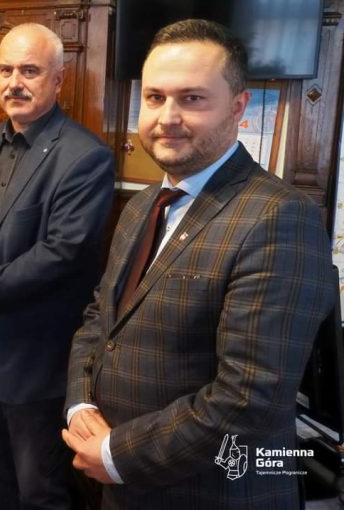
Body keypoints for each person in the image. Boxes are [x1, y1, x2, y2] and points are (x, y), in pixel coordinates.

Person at [62, 19, 335, 509]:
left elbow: (249, 397)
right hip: (122, 481)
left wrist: (118, 454)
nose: (167, 117)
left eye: (192, 99)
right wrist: (80, 403)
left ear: (238, 107)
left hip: (209, 491)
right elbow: (100, 320)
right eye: (154, 97)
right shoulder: (142, 206)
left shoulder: (279, 216)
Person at [0, 23, 115, 509]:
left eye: (29, 71)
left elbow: (61, 253)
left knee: (39, 488)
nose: (14, 82)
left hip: (36, 358)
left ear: (58, 80)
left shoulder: (86, 157)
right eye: (5, 70)